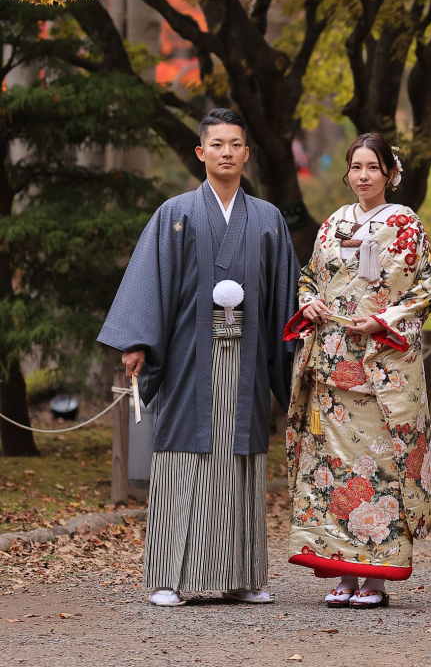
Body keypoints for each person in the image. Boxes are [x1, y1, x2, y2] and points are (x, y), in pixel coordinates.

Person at [98, 108, 300, 607]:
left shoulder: (268, 219)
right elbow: (151, 282)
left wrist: (299, 351)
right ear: (200, 152)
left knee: (241, 459)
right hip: (189, 357)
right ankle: (168, 577)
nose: (226, 152)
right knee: (181, 457)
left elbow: (285, 296)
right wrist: (137, 341)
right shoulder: (175, 214)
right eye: (217, 144)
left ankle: (243, 576)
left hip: (248, 359)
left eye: (235, 144)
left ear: (246, 153)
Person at [283, 132, 431, 609]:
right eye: (356, 167)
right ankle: (342, 571)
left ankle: (375, 578)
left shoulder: (405, 223)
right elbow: (309, 277)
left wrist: (385, 320)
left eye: (373, 167)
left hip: (378, 365)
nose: (363, 175)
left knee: (379, 467)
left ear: (389, 173)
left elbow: (425, 287)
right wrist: (309, 303)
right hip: (332, 363)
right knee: (332, 467)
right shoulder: (333, 223)